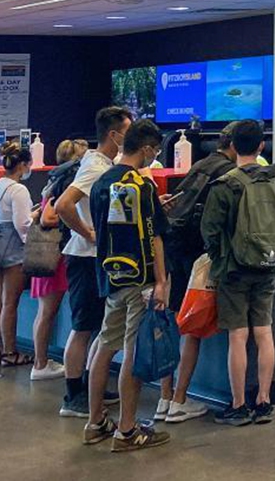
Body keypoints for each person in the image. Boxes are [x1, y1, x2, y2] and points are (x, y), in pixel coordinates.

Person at [83, 120, 171, 451]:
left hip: (110, 275)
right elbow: (156, 238)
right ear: (147, 148)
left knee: (105, 345)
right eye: (155, 151)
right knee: (134, 352)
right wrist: (161, 281)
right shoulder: (142, 186)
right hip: (142, 279)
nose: (154, 157)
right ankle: (128, 430)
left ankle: (95, 422)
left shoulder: (101, 182)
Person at [202, 120, 275, 427]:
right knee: (264, 332)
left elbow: (210, 230)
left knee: (237, 337)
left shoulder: (227, 184)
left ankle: (239, 405)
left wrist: (221, 258)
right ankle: (264, 401)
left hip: (234, 269)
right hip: (269, 265)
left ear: (231, 146)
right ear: (261, 146)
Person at [154, 122, 239, 424]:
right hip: (198, 257)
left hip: (174, 251)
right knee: (192, 329)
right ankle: (180, 400)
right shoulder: (228, 173)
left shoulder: (199, 164)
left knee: (171, 324)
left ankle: (165, 398)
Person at [55, 108, 132, 417]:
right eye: (128, 130)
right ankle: (74, 395)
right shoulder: (95, 167)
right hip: (84, 258)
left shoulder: (104, 164)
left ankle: (90, 386)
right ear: (114, 135)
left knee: (98, 325)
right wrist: (88, 233)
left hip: (95, 258)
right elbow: (63, 205)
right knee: (83, 326)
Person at [28, 139, 90, 381]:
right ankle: (40, 363)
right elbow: (48, 218)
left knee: (45, 311)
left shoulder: (53, 181)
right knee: (47, 311)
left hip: (47, 253)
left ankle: (40, 361)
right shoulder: (63, 185)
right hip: (52, 255)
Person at [0, 142, 36, 369]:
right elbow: (23, 224)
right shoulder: (18, 190)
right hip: (13, 247)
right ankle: (10, 352)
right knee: (10, 302)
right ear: (23, 165)